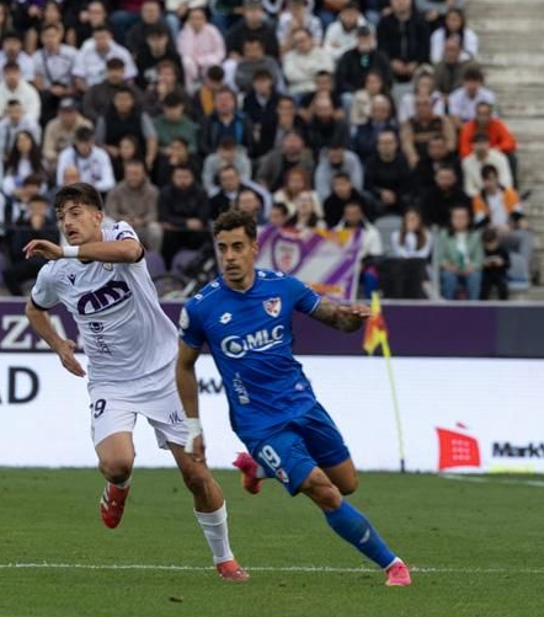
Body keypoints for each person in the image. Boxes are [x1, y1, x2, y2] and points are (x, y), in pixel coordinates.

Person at [21, 182, 249, 582]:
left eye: (75, 212)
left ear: (97, 216)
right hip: (111, 382)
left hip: (165, 373)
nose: (67, 222)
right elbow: (34, 308)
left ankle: (225, 558)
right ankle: (119, 486)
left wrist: (67, 250)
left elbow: (130, 253)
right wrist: (59, 345)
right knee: (115, 462)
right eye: (61, 217)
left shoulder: (120, 234)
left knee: (196, 475)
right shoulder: (55, 273)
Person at [175, 209, 412, 587]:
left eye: (238, 247)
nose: (231, 256)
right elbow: (183, 366)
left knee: (347, 482)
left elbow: (332, 316)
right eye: (223, 249)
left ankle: (260, 468)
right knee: (325, 491)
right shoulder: (202, 307)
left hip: (303, 403)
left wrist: (352, 318)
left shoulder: (283, 287)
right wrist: (193, 427)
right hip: (259, 424)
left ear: (254, 248)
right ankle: (393, 564)